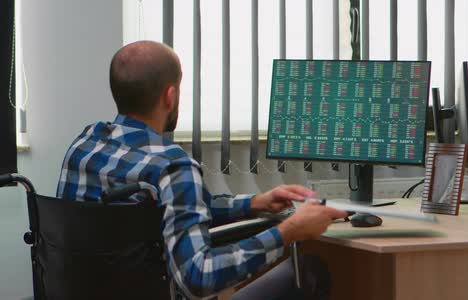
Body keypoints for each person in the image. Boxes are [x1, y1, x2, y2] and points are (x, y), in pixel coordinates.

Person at [56, 40, 347, 299]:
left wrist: (254, 203)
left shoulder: (85, 145)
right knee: (310, 271)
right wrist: (288, 232)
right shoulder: (171, 166)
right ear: (170, 96)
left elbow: (168, 212)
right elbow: (199, 277)